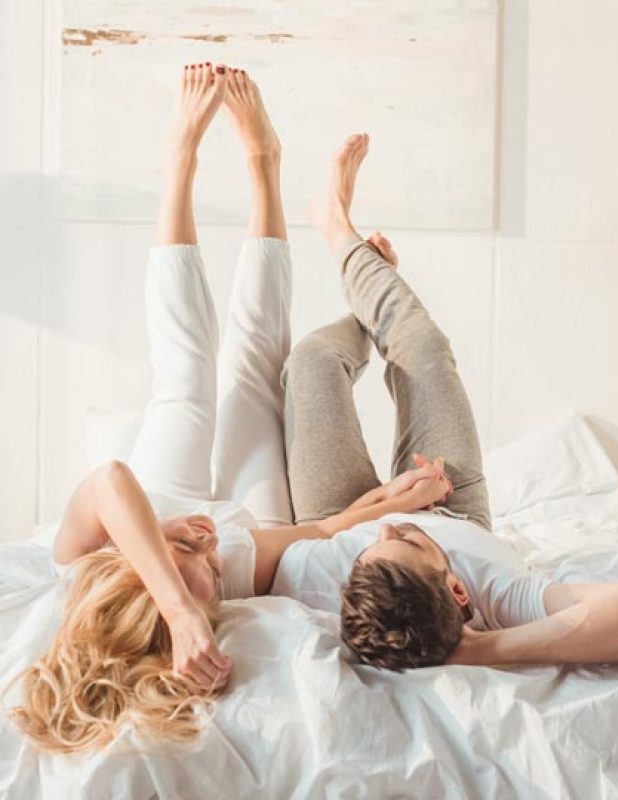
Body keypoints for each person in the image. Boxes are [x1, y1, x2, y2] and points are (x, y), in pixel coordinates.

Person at [6, 63, 449, 754]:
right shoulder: (225, 567)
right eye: (211, 576)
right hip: (233, 529)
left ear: (140, 571)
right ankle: (265, 166)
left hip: (153, 498)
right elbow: (323, 532)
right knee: (252, 371)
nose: (208, 546)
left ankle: (178, 159)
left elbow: (109, 481)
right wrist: (394, 502)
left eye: (190, 555)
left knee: (185, 371)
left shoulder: (82, 564)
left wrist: (180, 599)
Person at [272, 132, 618, 671]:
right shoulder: (498, 589)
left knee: (312, 363)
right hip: (452, 498)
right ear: (458, 590)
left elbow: (297, 545)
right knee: (425, 347)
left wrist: (376, 515)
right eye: (408, 542)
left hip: (340, 516)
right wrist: (483, 647)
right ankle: (345, 241)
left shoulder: (329, 571)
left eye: (377, 547)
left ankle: (365, 292)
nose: (389, 530)